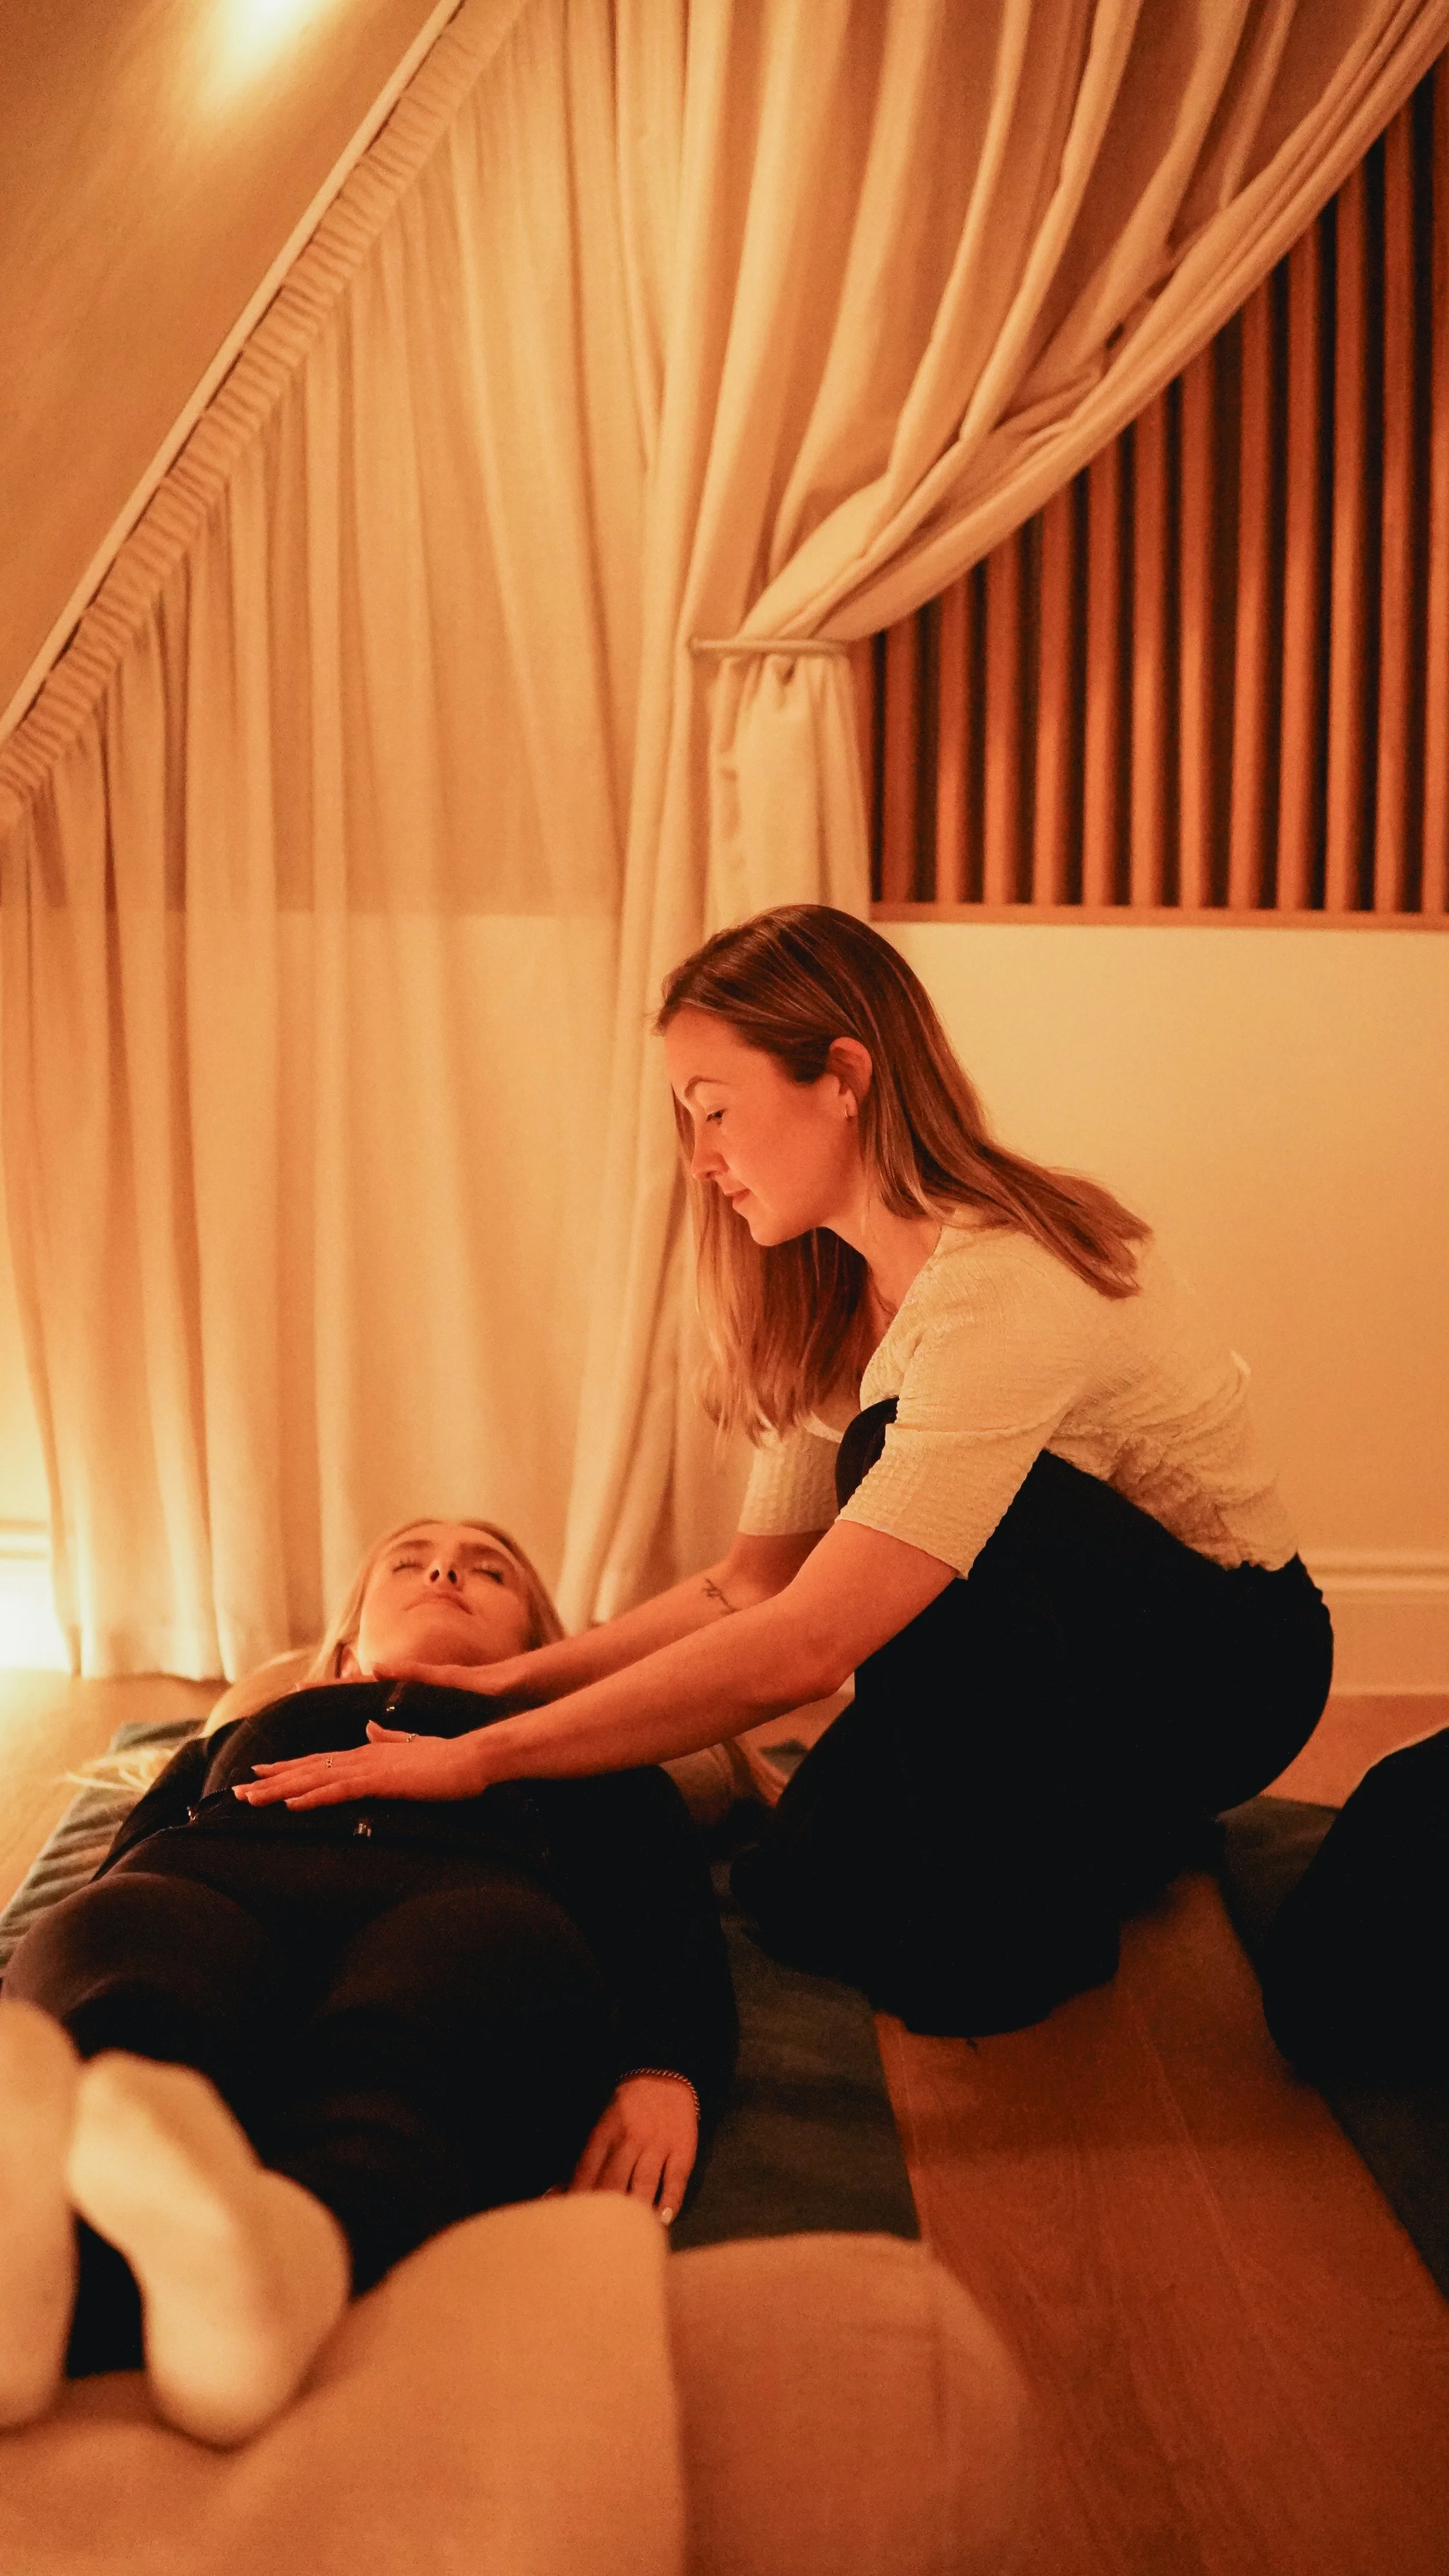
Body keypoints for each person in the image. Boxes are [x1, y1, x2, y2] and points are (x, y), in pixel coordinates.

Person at [235, 906, 1334, 2041]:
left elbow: (809, 1642)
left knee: (947, 1958)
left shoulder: (1002, 1286)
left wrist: (482, 1759)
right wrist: (519, 1683)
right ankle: (1097, 1828)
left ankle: (1064, 1895)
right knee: (788, 1887)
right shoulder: (836, 1293)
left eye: (715, 1111)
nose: (700, 1160)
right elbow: (750, 1585)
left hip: (1219, 1667)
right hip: (1049, 1647)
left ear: (842, 1076)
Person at [0, 1516, 736, 2444]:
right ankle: (39, 2272)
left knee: (409, 2046)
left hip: (463, 1900)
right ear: (349, 1637)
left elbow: (664, 1905)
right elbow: (125, 1859)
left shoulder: (575, 1735)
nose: (443, 1568)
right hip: (211, 1878)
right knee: (132, 2005)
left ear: (536, 1648)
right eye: (409, 1558)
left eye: (490, 1570)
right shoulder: (247, 1722)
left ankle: (262, 2274)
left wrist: (667, 2068)